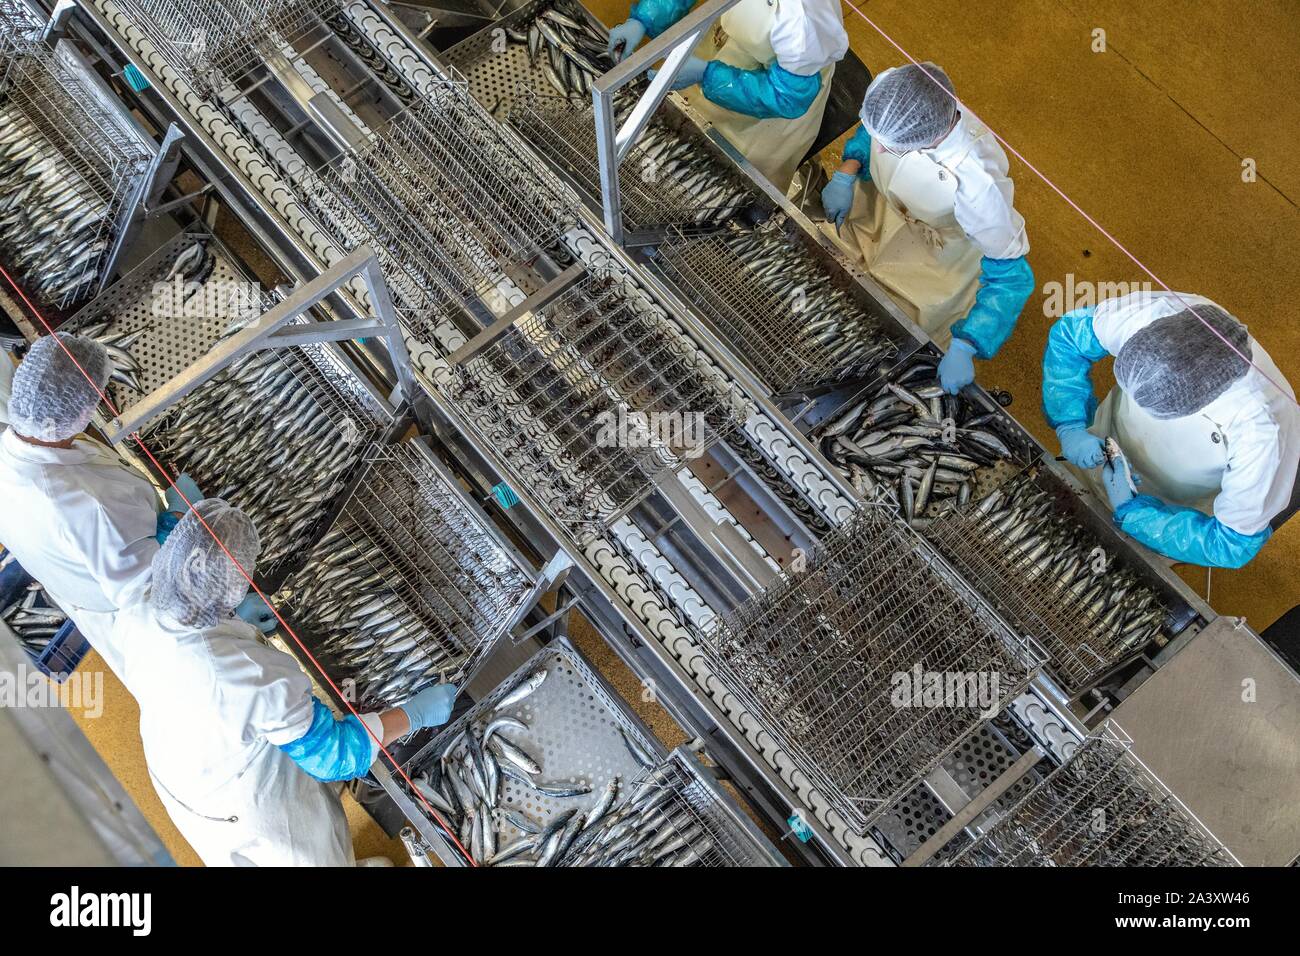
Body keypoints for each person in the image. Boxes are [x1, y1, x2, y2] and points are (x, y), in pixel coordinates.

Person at [113, 499, 459, 866]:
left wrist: (233, 620)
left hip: (182, 770)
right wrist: (414, 714)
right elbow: (336, 756)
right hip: (252, 806)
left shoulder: (138, 602)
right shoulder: (245, 673)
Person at [0, 334, 217, 677]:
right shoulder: (87, 504)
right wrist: (174, 520)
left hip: (77, 581)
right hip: (133, 620)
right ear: (85, 409)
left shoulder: (10, 450)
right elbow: (150, 589)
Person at [1043, 291, 1300, 568]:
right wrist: (1070, 424)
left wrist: (1138, 516)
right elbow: (1070, 339)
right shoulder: (1158, 314)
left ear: (1200, 401)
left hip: (1170, 513)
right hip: (1104, 438)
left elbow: (1229, 543)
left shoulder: (1265, 432)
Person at [819, 63, 1033, 394]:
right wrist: (848, 171)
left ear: (926, 142)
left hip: (937, 259)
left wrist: (967, 344)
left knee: (889, 334)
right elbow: (872, 132)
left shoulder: (978, 185)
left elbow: (1012, 278)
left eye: (889, 147)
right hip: (880, 212)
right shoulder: (907, 95)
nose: (878, 149)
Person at [608, 0, 849, 192]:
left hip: (774, 95)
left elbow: (787, 96)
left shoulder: (804, 20)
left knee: (727, 182)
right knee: (673, 138)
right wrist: (643, 20)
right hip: (728, 44)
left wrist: (706, 75)